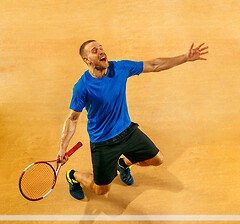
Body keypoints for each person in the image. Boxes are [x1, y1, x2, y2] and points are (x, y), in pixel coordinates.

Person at [57, 40, 208, 200]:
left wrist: (184, 57)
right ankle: (73, 176)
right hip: (102, 142)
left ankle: (123, 164)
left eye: (101, 48)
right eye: (95, 51)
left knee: (157, 159)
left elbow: (154, 65)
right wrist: (62, 149)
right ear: (86, 60)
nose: (101, 51)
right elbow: (72, 119)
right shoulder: (82, 87)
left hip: (126, 131)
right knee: (101, 190)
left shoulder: (120, 68)